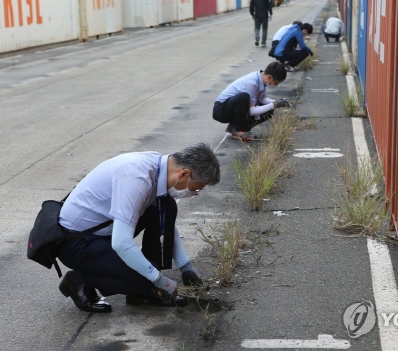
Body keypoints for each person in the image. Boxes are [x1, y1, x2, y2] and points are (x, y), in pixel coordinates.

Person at [56, 144, 221, 313]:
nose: (193, 194)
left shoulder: (158, 168)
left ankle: (143, 289)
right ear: (184, 174)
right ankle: (78, 280)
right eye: (195, 189)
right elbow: (121, 242)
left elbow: (165, 224)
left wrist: (185, 266)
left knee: (166, 206)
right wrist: (157, 280)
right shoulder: (137, 178)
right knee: (143, 279)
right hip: (76, 243)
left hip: (103, 230)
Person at [212, 62, 290, 142]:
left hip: (232, 107)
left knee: (269, 110)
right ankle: (239, 130)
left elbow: (262, 99)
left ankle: (234, 127)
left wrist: (278, 102)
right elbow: (251, 111)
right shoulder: (252, 83)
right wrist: (274, 104)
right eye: (276, 82)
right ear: (270, 77)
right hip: (221, 110)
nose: (276, 85)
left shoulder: (261, 79)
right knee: (243, 97)